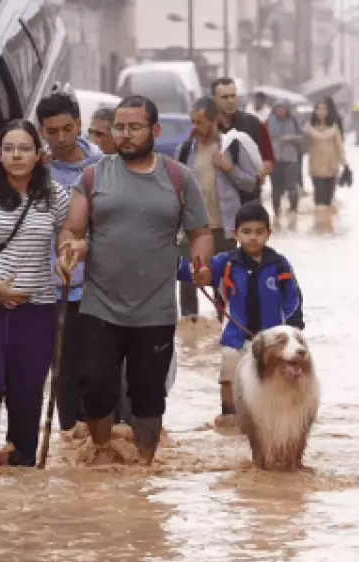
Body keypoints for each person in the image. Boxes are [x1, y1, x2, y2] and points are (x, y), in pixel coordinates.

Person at [57, 95, 214, 464]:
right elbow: (72, 228)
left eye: (134, 127)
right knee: (93, 386)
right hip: (100, 305)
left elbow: (200, 231)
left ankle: (144, 466)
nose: (125, 135)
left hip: (155, 309)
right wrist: (70, 250)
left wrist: (201, 260)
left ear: (154, 131)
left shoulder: (178, 178)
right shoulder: (93, 176)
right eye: (120, 127)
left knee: (148, 395)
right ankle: (101, 453)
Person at [0, 119, 68, 466]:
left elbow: (70, 237)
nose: (16, 155)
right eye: (9, 149)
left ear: (38, 154)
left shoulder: (56, 196)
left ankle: (22, 471)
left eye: (24, 148)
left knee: (27, 393)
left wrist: (68, 256)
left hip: (37, 310)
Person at [194, 202, 303, 428]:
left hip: (272, 340)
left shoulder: (280, 265)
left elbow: (293, 299)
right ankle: (229, 416)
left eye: (259, 232)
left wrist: (293, 329)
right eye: (246, 232)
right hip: (236, 335)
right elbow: (200, 274)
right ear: (235, 234)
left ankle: (275, 419)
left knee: (276, 379)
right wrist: (200, 274)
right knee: (228, 373)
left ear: (269, 234)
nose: (253, 238)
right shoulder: (225, 263)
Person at [36, 93, 103, 432]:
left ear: (79, 124)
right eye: (52, 131)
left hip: (99, 288)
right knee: (62, 373)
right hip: (52, 290)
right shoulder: (34, 173)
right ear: (42, 131)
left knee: (98, 372)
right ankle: (71, 440)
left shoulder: (103, 167)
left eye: (67, 128)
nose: (61, 138)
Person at [176, 97, 257, 319]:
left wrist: (228, 168)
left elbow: (250, 182)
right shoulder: (184, 150)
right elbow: (175, 187)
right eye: (192, 122)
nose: (195, 127)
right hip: (192, 226)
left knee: (223, 282)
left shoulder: (232, 147)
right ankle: (190, 331)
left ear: (215, 121)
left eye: (200, 122)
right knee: (187, 280)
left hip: (223, 225)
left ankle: (225, 325)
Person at [210, 78, 275, 203]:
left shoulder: (254, 124)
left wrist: (255, 177)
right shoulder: (207, 128)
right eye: (224, 97)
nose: (230, 101)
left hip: (248, 199)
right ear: (214, 100)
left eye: (233, 96)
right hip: (217, 200)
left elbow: (269, 159)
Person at [305, 100, 346, 233]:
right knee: (319, 195)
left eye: (324, 109)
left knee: (328, 198)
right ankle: (319, 227)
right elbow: (304, 147)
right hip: (316, 167)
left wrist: (345, 164)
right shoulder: (309, 128)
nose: (321, 112)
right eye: (319, 109)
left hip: (331, 167)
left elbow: (339, 147)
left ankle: (327, 228)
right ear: (315, 111)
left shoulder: (334, 128)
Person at [265, 101, 304, 229]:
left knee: (291, 187)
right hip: (274, 159)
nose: (280, 111)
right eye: (278, 109)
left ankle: (293, 212)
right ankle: (276, 215)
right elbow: (262, 138)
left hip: (291, 158)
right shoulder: (269, 121)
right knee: (275, 189)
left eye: (283, 109)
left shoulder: (293, 121)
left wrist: (291, 138)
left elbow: (302, 137)